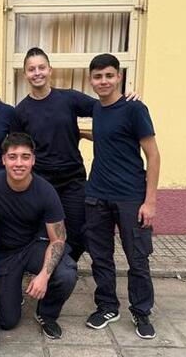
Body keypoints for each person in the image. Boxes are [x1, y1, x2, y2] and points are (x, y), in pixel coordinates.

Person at [15, 47, 138, 261]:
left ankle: (67, 266)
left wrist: (126, 98)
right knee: (44, 232)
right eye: (31, 69)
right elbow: (18, 148)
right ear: (25, 74)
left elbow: (105, 108)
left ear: (50, 70)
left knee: (80, 232)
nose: (37, 73)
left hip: (73, 181)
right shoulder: (21, 111)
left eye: (41, 67)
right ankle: (53, 271)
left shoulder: (69, 99)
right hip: (41, 182)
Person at [0, 132, 77, 339]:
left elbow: (58, 240)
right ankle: (5, 291)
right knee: (8, 322)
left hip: (32, 246)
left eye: (25, 157)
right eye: (13, 157)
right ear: (3, 160)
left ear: (33, 160)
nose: (19, 163)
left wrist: (44, 276)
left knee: (66, 273)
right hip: (3, 254)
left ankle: (47, 314)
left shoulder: (46, 191)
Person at [83, 53, 161, 339]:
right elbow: (109, 136)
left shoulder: (134, 109)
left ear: (119, 77)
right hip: (97, 195)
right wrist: (81, 133)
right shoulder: (97, 109)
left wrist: (150, 201)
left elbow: (153, 155)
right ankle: (107, 306)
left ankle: (141, 312)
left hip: (130, 197)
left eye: (108, 75)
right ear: (91, 80)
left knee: (137, 258)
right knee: (100, 256)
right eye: (97, 76)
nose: (103, 81)